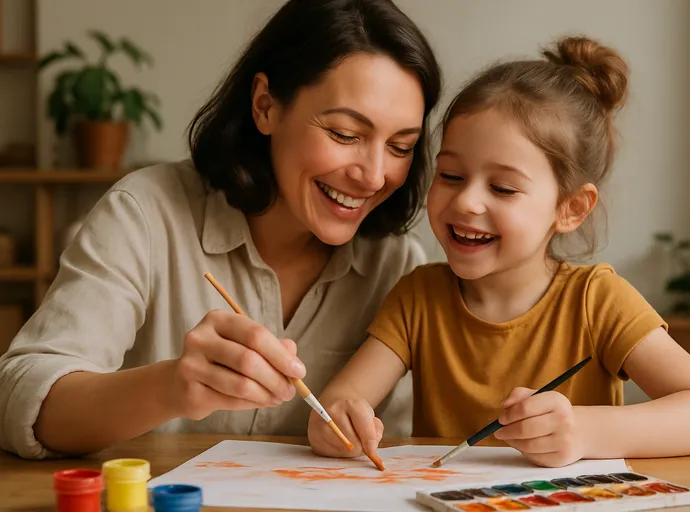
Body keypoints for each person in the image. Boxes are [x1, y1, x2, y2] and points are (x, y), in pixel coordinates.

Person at [0, 0, 442, 459]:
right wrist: (172, 386)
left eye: (400, 146)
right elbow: (18, 397)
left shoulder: (398, 266)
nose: (373, 176)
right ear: (265, 106)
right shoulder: (147, 214)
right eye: (345, 135)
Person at [307, 35, 690, 468]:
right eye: (451, 175)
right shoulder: (417, 297)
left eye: (503, 187)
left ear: (570, 208)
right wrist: (338, 421)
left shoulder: (598, 300)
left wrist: (583, 431)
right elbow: (338, 404)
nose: (466, 202)